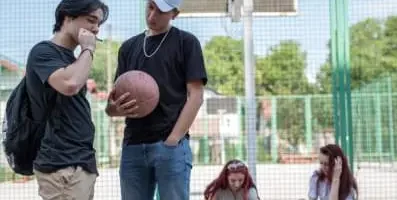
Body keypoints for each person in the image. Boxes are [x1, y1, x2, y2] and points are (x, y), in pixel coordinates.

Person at [105, 0, 207, 199]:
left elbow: (196, 96)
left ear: (174, 14)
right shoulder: (128, 48)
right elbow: (111, 108)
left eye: (160, 11)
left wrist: (173, 139)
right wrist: (114, 108)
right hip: (133, 144)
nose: (152, 16)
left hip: (170, 145)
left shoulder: (186, 43)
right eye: (150, 7)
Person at [25, 0, 109, 199]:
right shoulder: (43, 52)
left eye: (99, 23)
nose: (96, 29)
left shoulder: (72, 60)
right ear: (68, 16)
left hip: (80, 161)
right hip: (60, 164)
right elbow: (70, 84)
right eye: (91, 20)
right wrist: (88, 49)